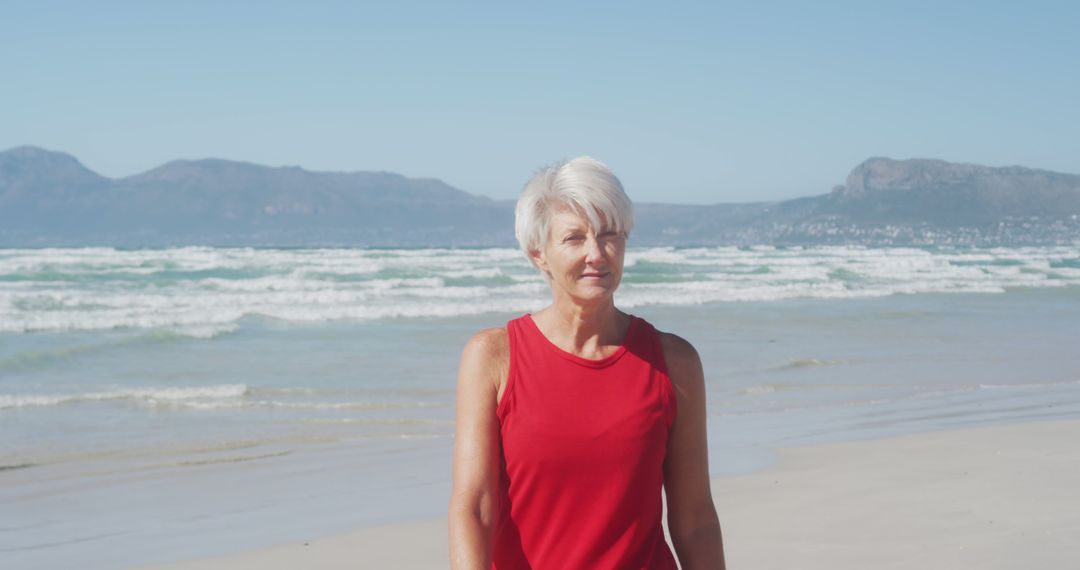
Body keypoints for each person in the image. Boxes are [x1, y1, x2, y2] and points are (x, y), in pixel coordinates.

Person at [449, 156, 725, 569]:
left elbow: (695, 520)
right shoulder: (493, 357)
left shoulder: (674, 363)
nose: (597, 253)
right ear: (539, 255)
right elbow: (475, 508)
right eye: (575, 238)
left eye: (610, 234)